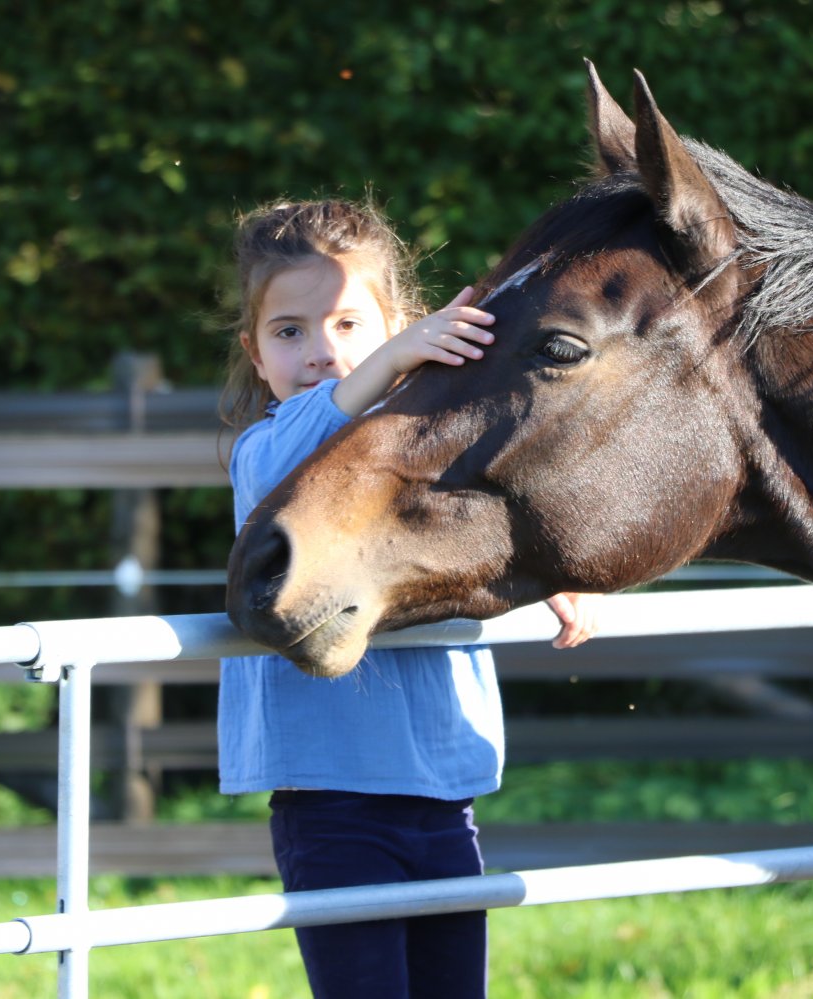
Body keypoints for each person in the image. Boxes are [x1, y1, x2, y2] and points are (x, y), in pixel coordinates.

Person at [216, 198, 598, 999]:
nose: (322, 351)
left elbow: (480, 527)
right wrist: (386, 362)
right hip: (331, 799)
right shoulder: (267, 451)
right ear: (254, 353)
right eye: (289, 331)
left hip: (443, 791)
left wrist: (547, 574)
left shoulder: (430, 452)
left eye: (349, 325)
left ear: (399, 323)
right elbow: (295, 455)